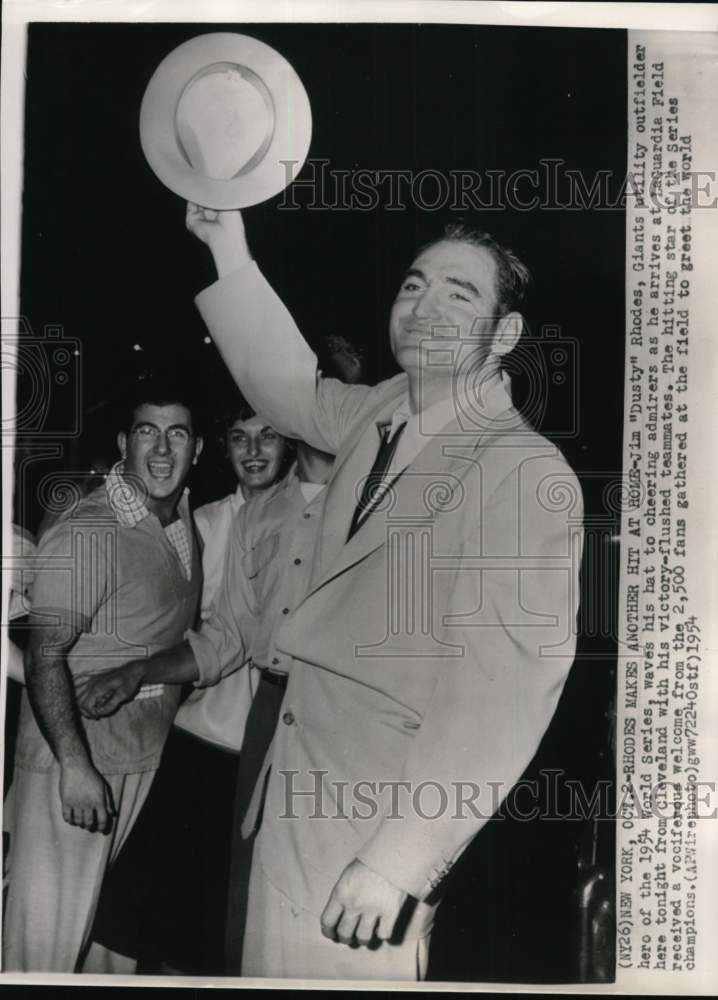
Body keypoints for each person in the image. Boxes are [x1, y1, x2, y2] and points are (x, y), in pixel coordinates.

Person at [180, 205, 584, 982]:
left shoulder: (524, 473)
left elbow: (501, 694)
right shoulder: (379, 411)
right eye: (412, 285)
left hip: (374, 829)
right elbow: (286, 384)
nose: (425, 307)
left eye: (460, 295)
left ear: (505, 335)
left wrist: (401, 861)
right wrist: (227, 244)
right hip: (291, 794)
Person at [2, 382, 204, 973]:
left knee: (105, 949)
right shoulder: (91, 524)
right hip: (78, 764)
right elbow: (45, 655)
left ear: (199, 448)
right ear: (123, 442)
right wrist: (74, 765)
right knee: (43, 944)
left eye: (178, 434)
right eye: (147, 431)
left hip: (141, 759)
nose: (162, 449)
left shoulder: (180, 516)